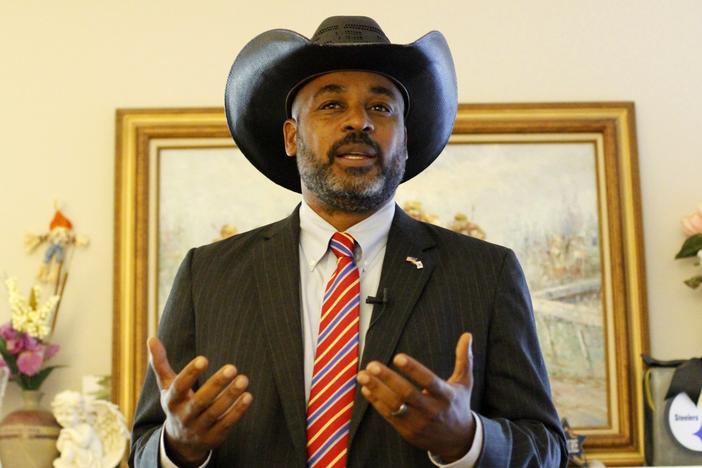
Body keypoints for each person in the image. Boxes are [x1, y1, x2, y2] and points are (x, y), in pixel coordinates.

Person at [130, 16, 567, 467]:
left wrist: (466, 440)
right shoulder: (209, 274)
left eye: (380, 108)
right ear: (290, 136)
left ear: (406, 139)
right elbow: (144, 448)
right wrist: (179, 446)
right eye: (331, 106)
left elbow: (546, 448)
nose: (358, 121)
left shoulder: (485, 273)